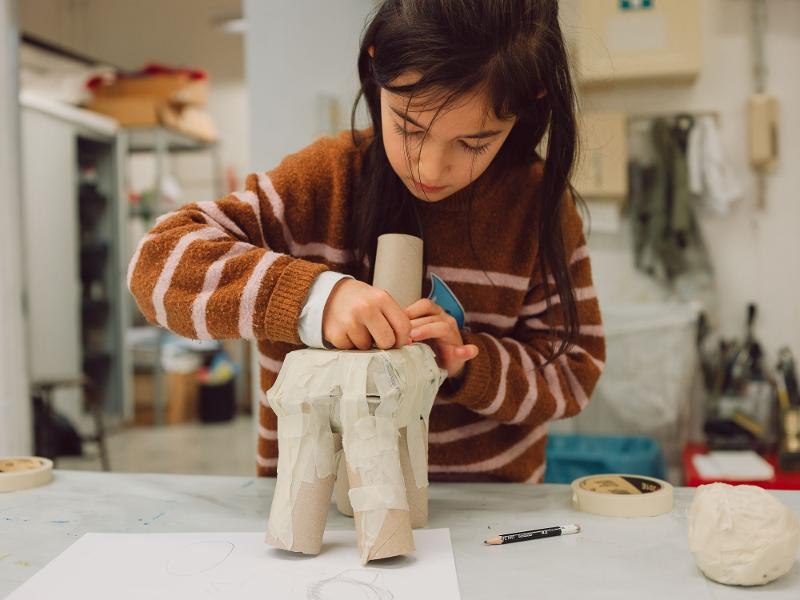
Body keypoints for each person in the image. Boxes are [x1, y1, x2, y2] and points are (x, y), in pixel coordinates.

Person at [128, 0, 605, 483]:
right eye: (408, 127)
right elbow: (153, 266)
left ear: (530, 103)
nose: (429, 168)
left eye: (473, 143)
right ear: (377, 66)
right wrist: (314, 300)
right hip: (322, 508)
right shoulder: (323, 182)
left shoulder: (536, 206)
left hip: (486, 510)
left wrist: (466, 364)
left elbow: (575, 372)